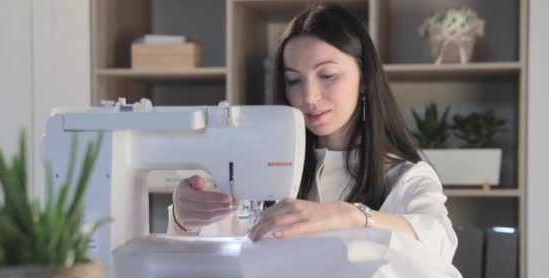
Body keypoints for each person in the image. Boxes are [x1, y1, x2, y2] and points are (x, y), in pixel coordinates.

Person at [167, 2, 457, 263]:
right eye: (294, 80)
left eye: (327, 75)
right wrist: (183, 217)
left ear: (365, 79)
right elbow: (192, 260)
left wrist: (351, 215)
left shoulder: (405, 177)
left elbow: (439, 241)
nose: (309, 97)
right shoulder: (258, 170)